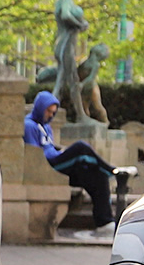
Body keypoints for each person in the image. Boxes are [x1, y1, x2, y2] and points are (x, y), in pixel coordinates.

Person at [25, 90, 128, 236]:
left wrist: (62, 151)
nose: (51, 115)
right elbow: (33, 154)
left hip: (57, 160)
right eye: (48, 111)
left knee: (97, 176)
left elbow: (51, 146)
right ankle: (112, 171)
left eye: (53, 113)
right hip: (49, 165)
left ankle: (104, 222)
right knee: (81, 148)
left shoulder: (46, 127)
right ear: (40, 108)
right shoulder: (29, 125)